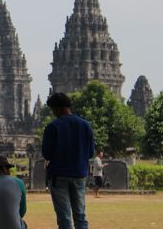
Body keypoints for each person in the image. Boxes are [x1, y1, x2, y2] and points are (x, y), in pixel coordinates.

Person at [42, 92, 95, 229]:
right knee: (80, 215)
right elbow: (90, 153)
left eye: (53, 109)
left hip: (59, 175)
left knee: (64, 215)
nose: (54, 113)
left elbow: (47, 154)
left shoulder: (53, 127)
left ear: (57, 108)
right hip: (79, 174)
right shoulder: (86, 125)